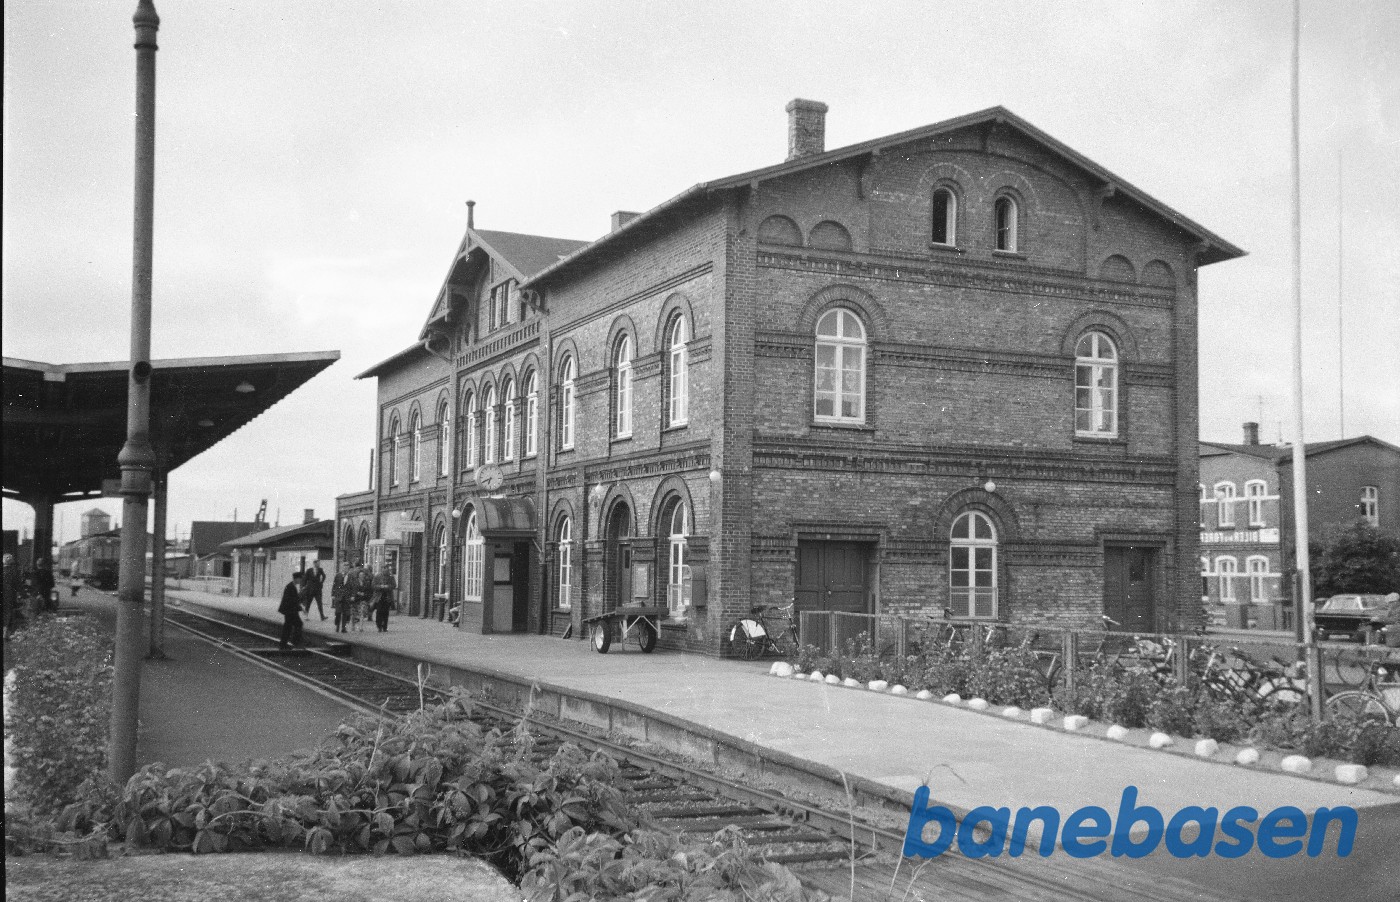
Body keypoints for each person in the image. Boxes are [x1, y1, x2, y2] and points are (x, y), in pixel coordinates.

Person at [278, 572, 305, 651]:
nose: (300, 581)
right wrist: (301, 608)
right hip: (290, 610)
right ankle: (294, 642)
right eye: (300, 579)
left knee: (288, 627)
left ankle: (284, 644)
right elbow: (292, 600)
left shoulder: (291, 586)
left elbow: (294, 599)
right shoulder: (290, 587)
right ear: (296, 578)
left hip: (290, 610)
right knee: (296, 624)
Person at [371, 565, 397, 633]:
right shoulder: (377, 576)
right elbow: (373, 586)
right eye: (384, 569)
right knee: (379, 611)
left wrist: (387, 586)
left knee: (386, 612)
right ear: (382, 569)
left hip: (387, 596)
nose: (385, 570)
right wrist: (380, 586)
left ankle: (385, 627)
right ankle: (379, 626)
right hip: (379, 597)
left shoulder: (391, 577)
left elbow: (394, 585)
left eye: (387, 569)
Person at [2, 553, 20, 638]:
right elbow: (18, 586)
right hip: (9, 597)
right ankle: (5, 632)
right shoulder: (14, 572)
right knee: (8, 614)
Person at [330, 562, 350, 633]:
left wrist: (353, 595)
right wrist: (333, 594)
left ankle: (343, 628)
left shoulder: (350, 576)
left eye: (347, 567)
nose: (346, 568)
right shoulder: (338, 575)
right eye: (344, 567)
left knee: (345, 613)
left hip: (346, 597)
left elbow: (353, 586)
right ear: (342, 567)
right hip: (338, 596)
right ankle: (337, 626)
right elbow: (334, 585)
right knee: (338, 612)